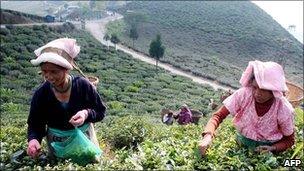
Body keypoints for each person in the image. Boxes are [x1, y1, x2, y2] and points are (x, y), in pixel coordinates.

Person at [27, 38, 106, 160]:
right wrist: (33, 140)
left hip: (84, 139)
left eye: (54, 72)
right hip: (58, 144)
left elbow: (100, 112)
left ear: (66, 69)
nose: (49, 77)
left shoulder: (83, 86)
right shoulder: (42, 93)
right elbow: (35, 123)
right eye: (44, 72)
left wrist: (86, 114)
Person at [198, 60, 295, 156]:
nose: (257, 93)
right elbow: (218, 116)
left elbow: (289, 140)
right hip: (241, 144)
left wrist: (273, 148)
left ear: (274, 91)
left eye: (263, 90)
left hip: (268, 152)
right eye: (255, 87)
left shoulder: (284, 108)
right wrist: (208, 136)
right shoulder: (243, 95)